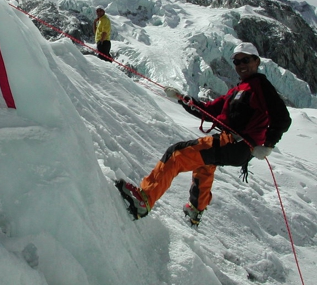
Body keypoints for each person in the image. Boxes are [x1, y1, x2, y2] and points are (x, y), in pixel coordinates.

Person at [116, 42, 292, 225]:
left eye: (245, 60)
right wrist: (182, 99)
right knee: (204, 164)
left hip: (238, 145)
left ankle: (144, 200)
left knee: (177, 154)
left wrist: (268, 145)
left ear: (256, 61)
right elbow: (210, 110)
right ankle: (195, 210)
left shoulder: (260, 86)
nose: (241, 65)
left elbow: (282, 118)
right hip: (232, 144)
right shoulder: (239, 89)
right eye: (237, 61)